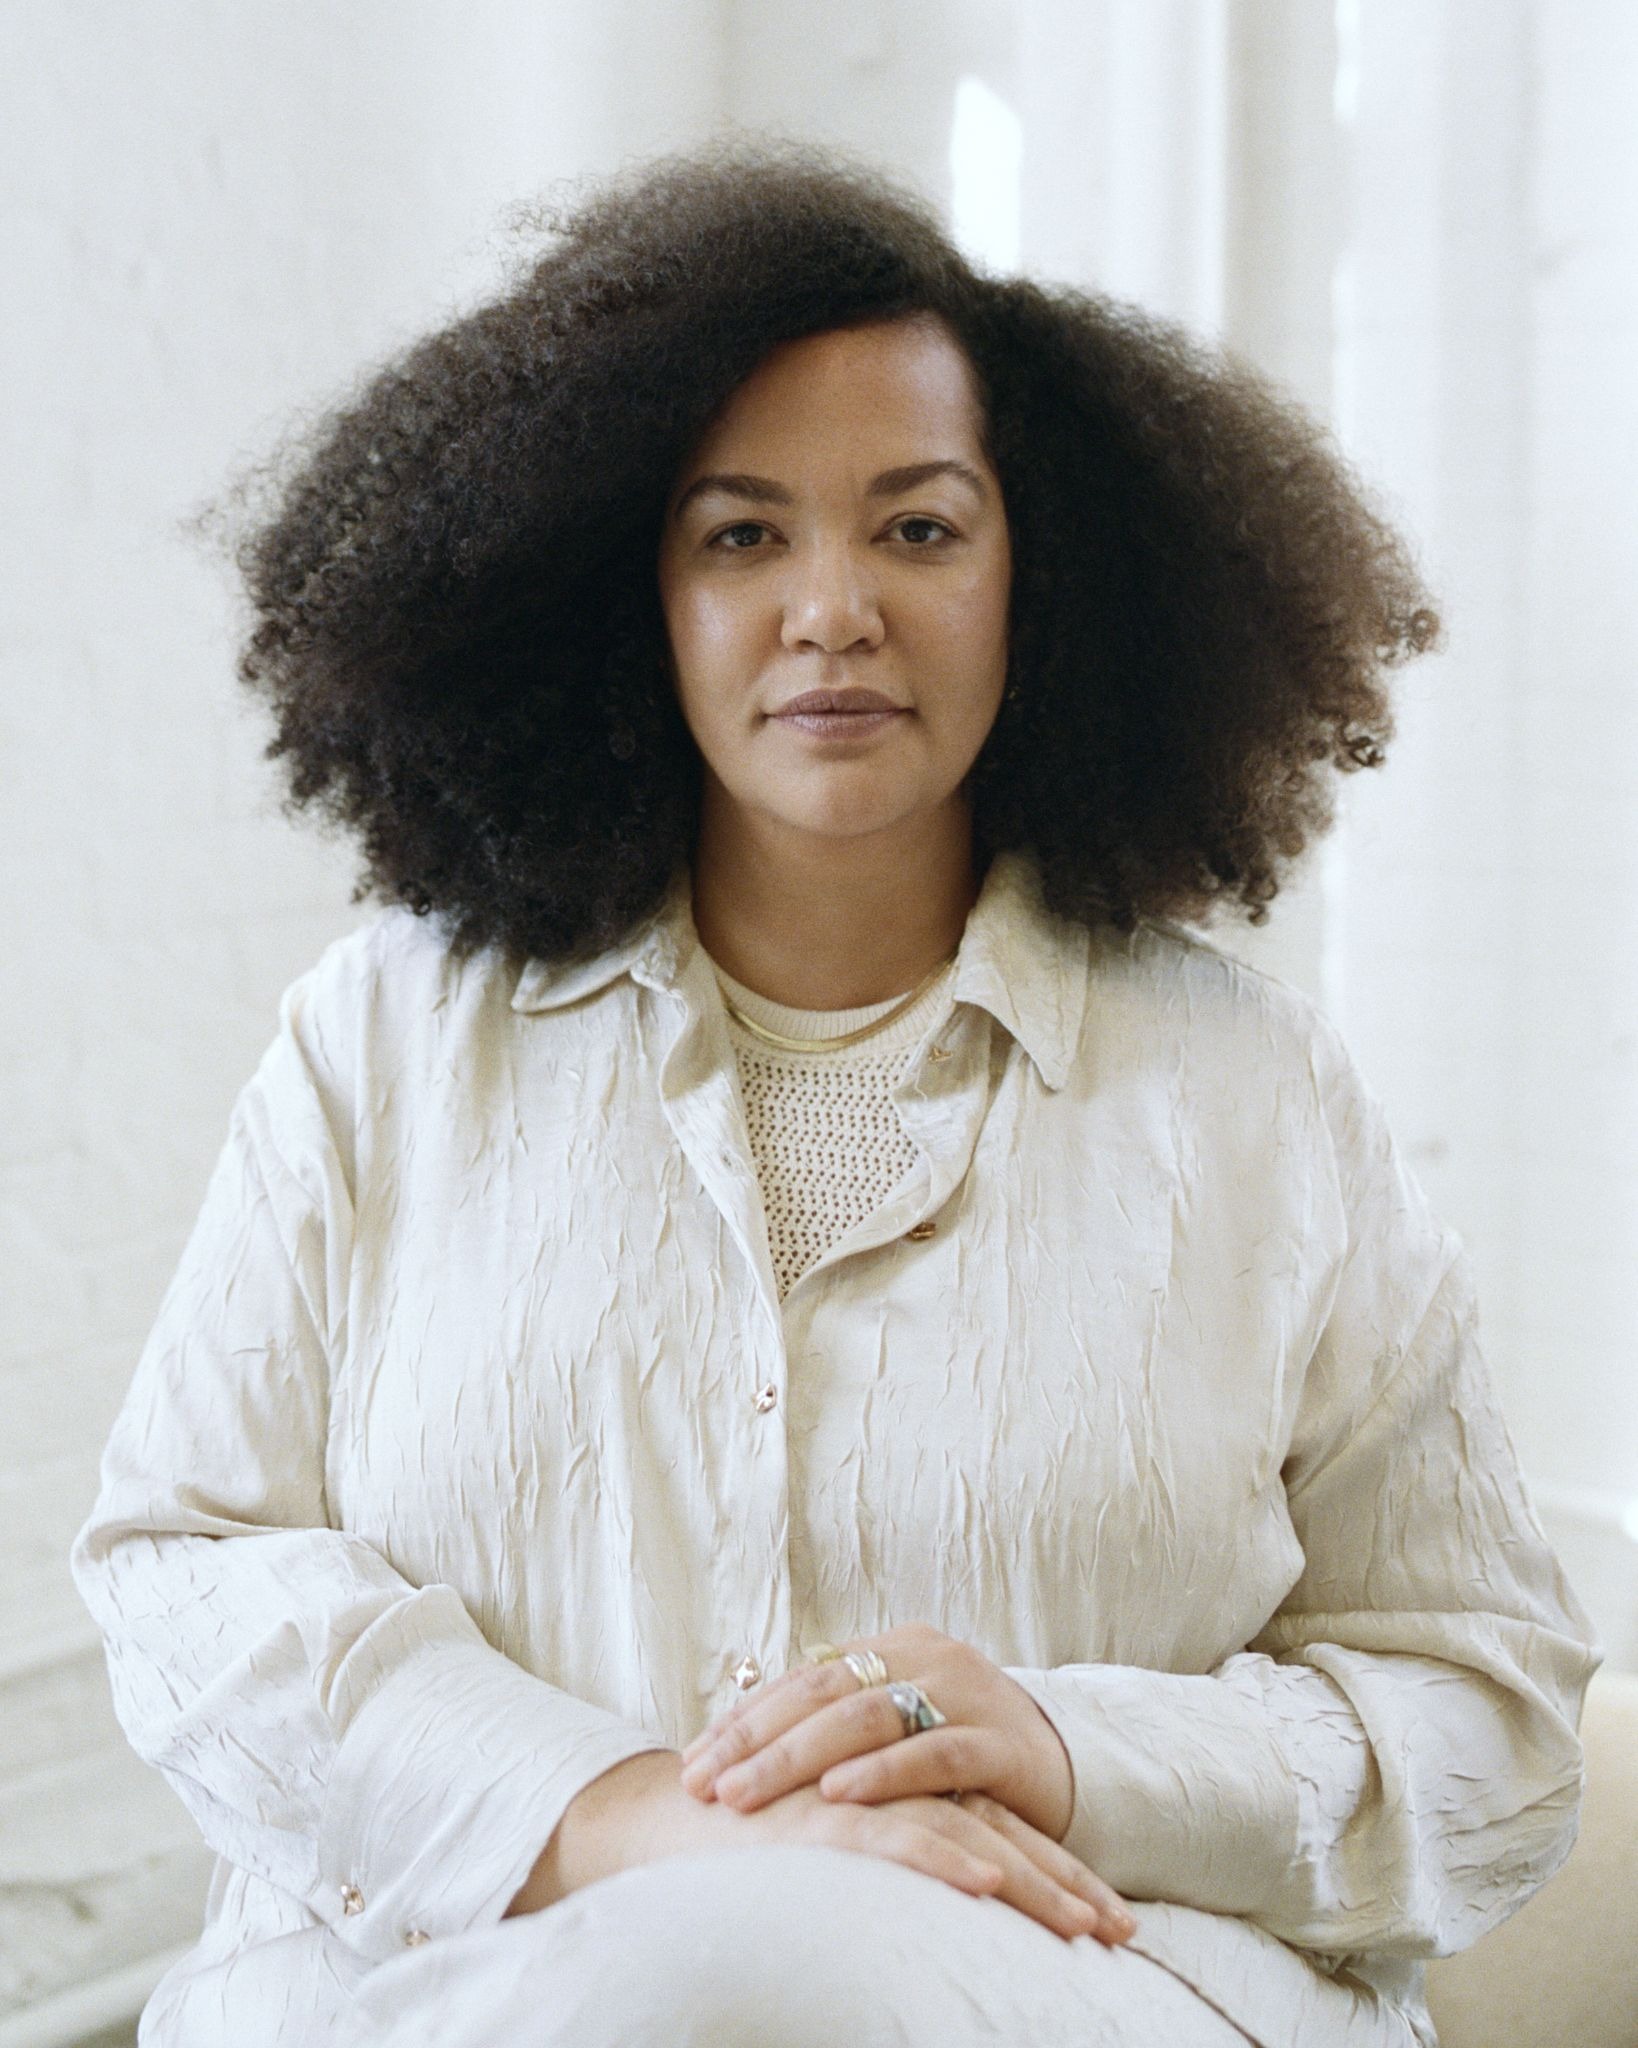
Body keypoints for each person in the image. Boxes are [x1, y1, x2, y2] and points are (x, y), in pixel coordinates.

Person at [73, 138, 1599, 2048]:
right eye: (740, 534)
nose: (832, 609)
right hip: (447, 1990)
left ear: (1044, 581)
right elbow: (187, 1571)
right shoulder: (376, 1046)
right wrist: (628, 1823)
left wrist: (1063, 1751)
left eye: (919, 527)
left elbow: (1489, 1722)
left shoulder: (1255, 1097)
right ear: (621, 592)